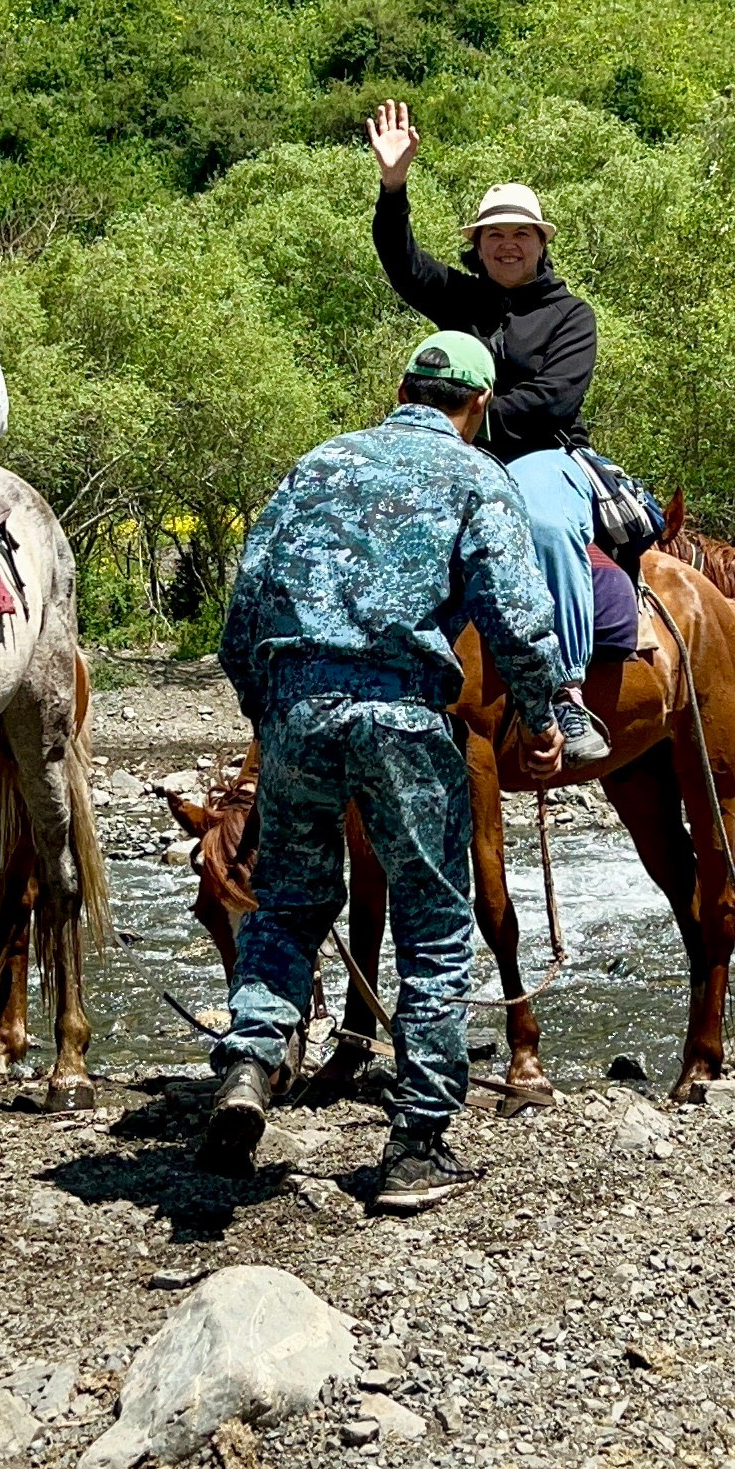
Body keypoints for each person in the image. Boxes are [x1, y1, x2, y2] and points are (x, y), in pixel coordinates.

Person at [207, 329, 569, 1212]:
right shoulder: (475, 476)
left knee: (289, 903)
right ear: (477, 406)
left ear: (402, 387)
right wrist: (544, 711)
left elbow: (241, 610)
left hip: (296, 709)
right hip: (405, 717)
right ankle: (415, 1144)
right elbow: (517, 617)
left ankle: (252, 1061)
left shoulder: (318, 463)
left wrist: (273, 711)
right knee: (436, 922)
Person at [366, 99, 609, 768]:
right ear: (475, 244)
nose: (508, 243)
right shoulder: (461, 297)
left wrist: (473, 419)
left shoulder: (571, 317)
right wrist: (394, 186)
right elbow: (402, 262)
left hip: (537, 456)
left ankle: (564, 689)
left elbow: (554, 399)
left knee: (550, 527)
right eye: (494, 234)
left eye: (522, 233)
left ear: (541, 243)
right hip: (449, 454)